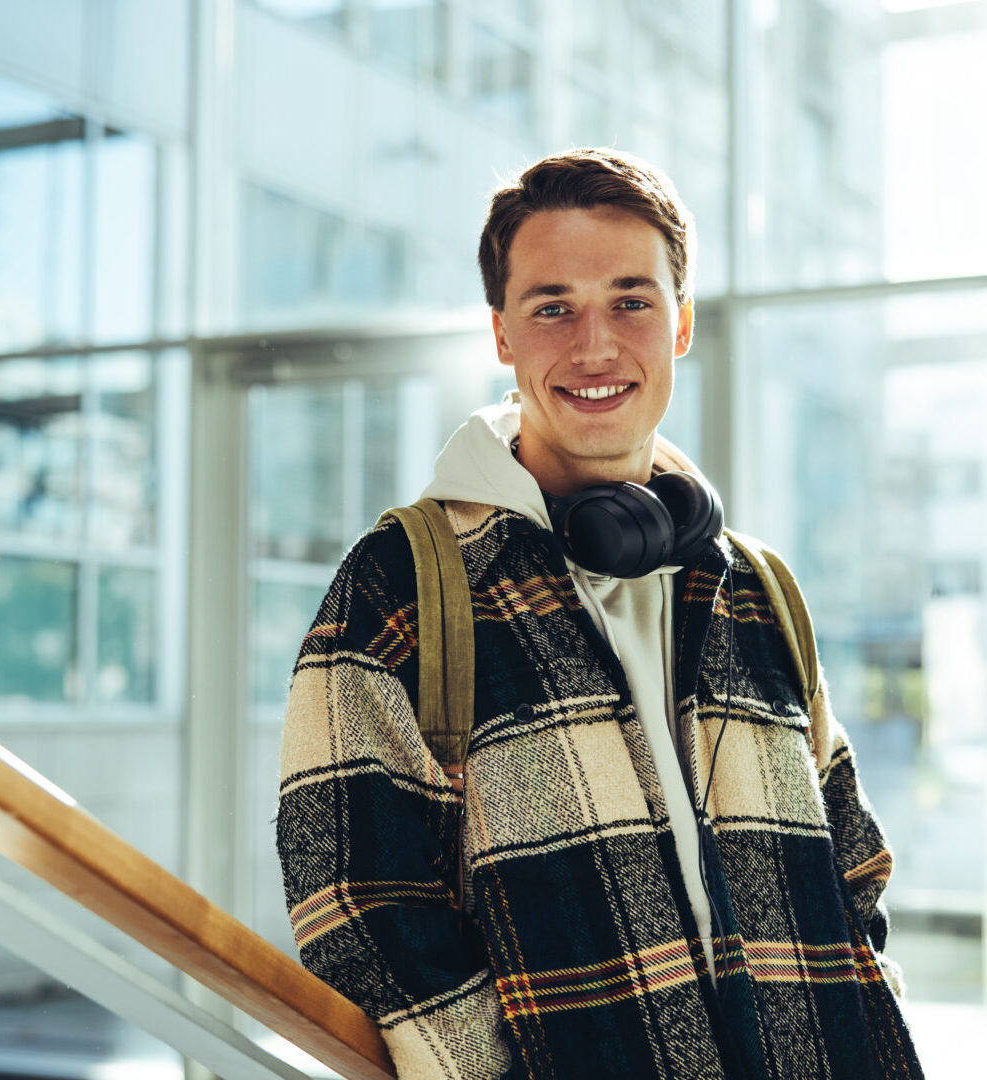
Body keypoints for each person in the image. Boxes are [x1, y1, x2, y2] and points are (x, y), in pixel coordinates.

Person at [277, 149, 923, 1080]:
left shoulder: (755, 588)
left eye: (632, 300)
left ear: (682, 324)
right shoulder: (403, 583)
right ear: (501, 334)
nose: (594, 348)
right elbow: (355, 904)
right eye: (553, 308)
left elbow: (852, 872)